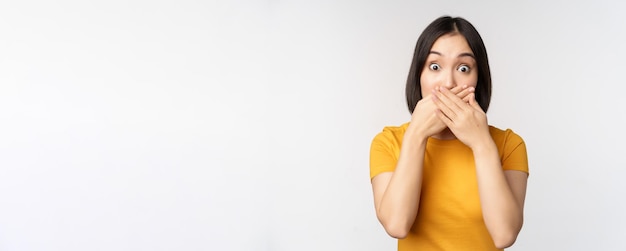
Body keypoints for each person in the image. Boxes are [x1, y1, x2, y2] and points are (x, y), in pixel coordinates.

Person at [369, 16, 529, 251]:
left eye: (463, 68)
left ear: (478, 79)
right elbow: (396, 225)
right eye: (435, 66)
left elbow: (504, 235)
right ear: (419, 76)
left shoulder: (508, 144)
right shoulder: (388, 142)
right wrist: (416, 135)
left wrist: (481, 144)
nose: (448, 81)